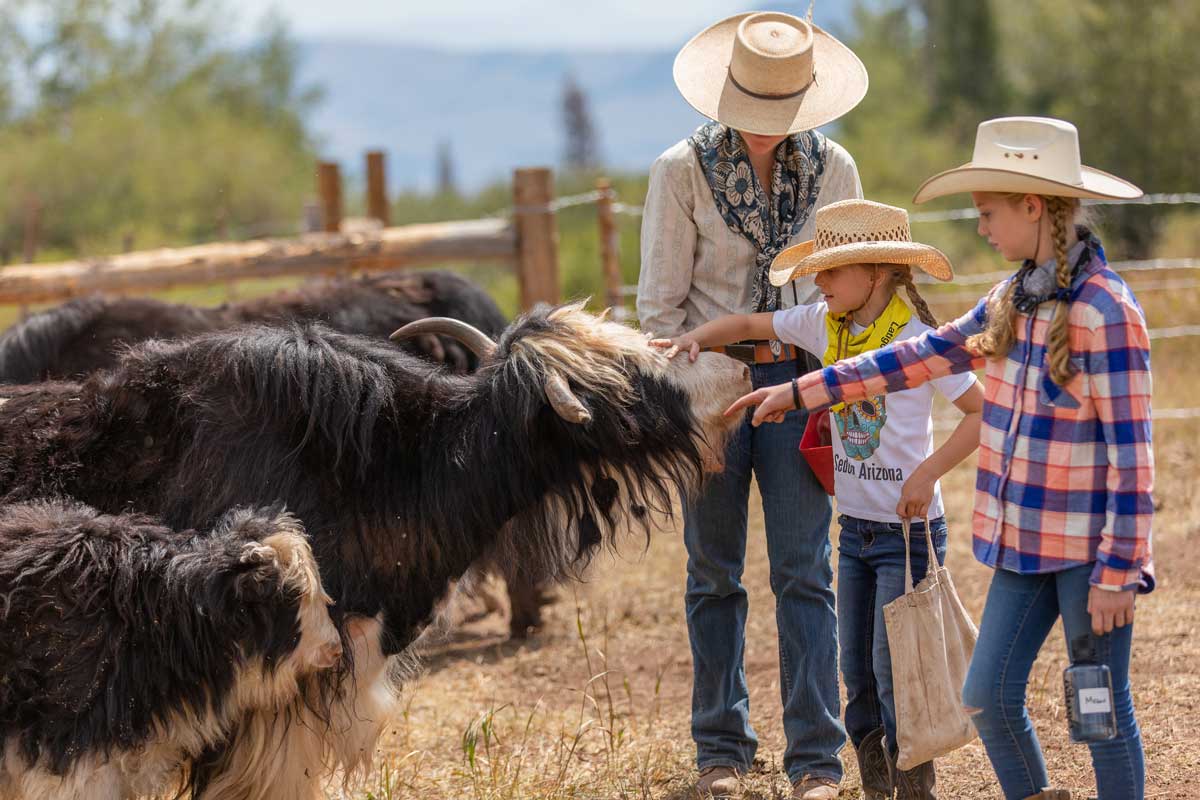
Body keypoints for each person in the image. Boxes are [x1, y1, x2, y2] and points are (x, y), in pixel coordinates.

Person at [727, 117, 1153, 800]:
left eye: (988, 213)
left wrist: (1120, 570)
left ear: (1032, 207)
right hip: (1018, 544)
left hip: (1088, 555)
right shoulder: (1010, 300)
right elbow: (916, 358)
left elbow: (1134, 457)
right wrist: (807, 388)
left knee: (1096, 711)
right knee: (987, 697)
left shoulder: (1108, 311)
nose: (982, 227)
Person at [653, 199, 983, 800]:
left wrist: (928, 474)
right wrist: (691, 342)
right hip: (855, 531)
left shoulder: (919, 341)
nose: (819, 280)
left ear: (876, 273)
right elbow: (749, 326)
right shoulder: (822, 325)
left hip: (907, 533)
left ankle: (914, 791)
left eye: (831, 270)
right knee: (856, 673)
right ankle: (877, 788)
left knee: (894, 671)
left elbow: (981, 413)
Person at [636, 10, 868, 799]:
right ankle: (722, 751)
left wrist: (842, 388)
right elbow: (661, 311)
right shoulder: (680, 170)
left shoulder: (833, 168)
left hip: (803, 382)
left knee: (806, 570)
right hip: (711, 389)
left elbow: (858, 286)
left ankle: (816, 758)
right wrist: (683, 413)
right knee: (713, 572)